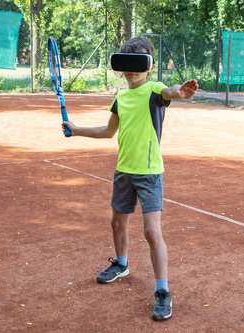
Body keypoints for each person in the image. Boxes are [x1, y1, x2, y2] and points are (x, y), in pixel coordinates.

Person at [62, 36, 198, 321]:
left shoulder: (154, 90)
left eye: (139, 64)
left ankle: (162, 290)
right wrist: (76, 130)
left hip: (149, 174)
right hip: (124, 171)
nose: (132, 70)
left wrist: (180, 92)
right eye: (127, 64)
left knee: (151, 232)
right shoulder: (121, 97)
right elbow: (108, 131)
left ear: (150, 66)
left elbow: (170, 92)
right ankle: (121, 263)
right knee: (117, 222)